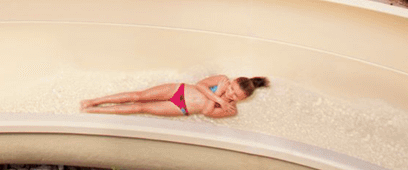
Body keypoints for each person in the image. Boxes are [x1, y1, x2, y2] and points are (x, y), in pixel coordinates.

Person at [79, 75, 268, 119]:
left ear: (243, 99)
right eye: (232, 88)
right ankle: (94, 101)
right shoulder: (222, 79)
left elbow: (206, 112)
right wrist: (218, 96)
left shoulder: (231, 110)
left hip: (181, 108)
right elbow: (200, 85)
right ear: (233, 81)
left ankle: (93, 111)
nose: (230, 93)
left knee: (140, 107)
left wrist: (218, 97)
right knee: (139, 96)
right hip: (180, 90)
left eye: (235, 95)